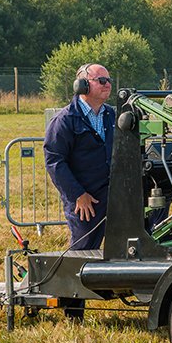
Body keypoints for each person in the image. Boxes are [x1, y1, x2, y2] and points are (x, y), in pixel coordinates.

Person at [44, 63, 115, 319]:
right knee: (81, 254)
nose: (107, 84)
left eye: (108, 80)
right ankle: (73, 312)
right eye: (100, 80)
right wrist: (78, 195)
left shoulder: (111, 116)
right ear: (82, 86)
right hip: (86, 200)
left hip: (114, 195)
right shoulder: (65, 120)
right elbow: (54, 161)